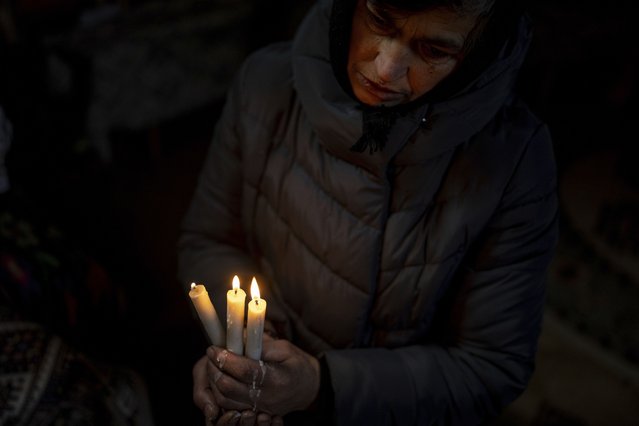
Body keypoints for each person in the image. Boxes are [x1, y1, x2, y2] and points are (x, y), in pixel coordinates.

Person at [178, 0, 558, 424]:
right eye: (379, 21)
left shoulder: (515, 161)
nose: (385, 69)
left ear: (478, 54)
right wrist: (242, 353)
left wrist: (321, 385)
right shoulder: (266, 85)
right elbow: (208, 240)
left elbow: (491, 367)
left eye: (433, 51)